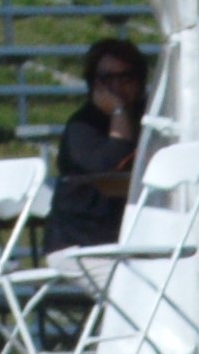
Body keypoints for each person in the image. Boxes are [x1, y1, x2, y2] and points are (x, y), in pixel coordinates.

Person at [46, 37, 147, 254]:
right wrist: (118, 112)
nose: (117, 86)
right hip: (81, 242)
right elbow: (110, 167)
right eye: (107, 78)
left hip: (134, 237)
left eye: (126, 77)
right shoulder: (82, 127)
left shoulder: (149, 118)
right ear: (93, 83)